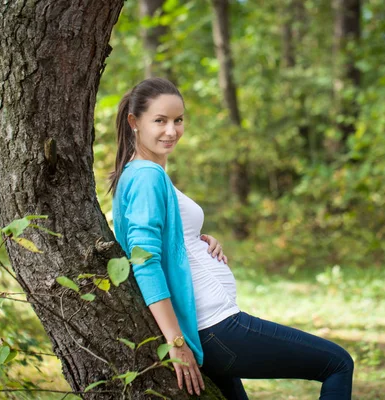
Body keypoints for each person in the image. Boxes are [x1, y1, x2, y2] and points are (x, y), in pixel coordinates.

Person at [109, 77, 354, 400]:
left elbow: (166, 242)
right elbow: (144, 261)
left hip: (209, 327)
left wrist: (196, 239)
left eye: (178, 120)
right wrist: (176, 342)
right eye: (160, 121)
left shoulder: (139, 174)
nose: (172, 131)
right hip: (214, 328)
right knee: (337, 363)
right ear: (134, 122)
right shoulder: (147, 177)